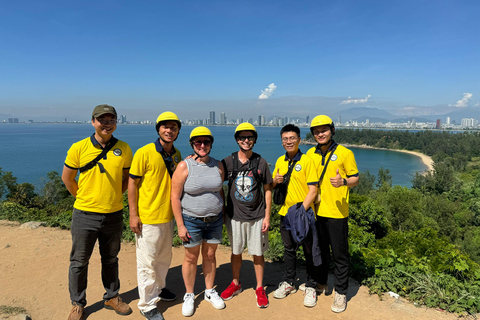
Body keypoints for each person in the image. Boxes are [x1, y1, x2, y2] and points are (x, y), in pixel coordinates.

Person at [62, 104, 133, 320]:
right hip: (84, 214)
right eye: (102, 120)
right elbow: (68, 178)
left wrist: (114, 196)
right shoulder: (79, 147)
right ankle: (77, 303)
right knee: (79, 261)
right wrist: (83, 198)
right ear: (93, 122)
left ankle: (112, 296)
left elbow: (127, 178)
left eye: (111, 119)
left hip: (113, 214)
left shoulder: (124, 148)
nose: (107, 123)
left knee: (111, 258)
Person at [128, 111, 182, 320]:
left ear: (178, 131)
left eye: (173, 127)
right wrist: (134, 215)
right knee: (147, 262)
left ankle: (159, 289)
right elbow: (132, 184)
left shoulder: (175, 154)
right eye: (165, 127)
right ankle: (147, 304)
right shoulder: (144, 152)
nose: (169, 130)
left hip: (167, 216)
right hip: (148, 217)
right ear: (158, 129)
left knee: (163, 258)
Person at [171, 126, 226, 317]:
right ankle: (189, 294)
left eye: (206, 142)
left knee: (210, 256)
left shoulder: (218, 165)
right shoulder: (184, 166)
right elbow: (175, 197)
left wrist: (223, 212)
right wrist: (180, 225)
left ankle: (210, 291)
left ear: (211, 144)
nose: (202, 145)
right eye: (198, 142)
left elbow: (219, 190)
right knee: (191, 258)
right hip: (191, 220)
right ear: (192, 144)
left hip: (215, 219)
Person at [307, 115, 359, 313]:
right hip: (316, 212)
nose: (320, 133)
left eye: (324, 130)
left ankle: (341, 292)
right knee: (320, 252)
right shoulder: (310, 154)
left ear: (332, 130)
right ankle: (321, 283)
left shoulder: (345, 153)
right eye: (316, 131)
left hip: (337, 212)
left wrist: (343, 182)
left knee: (340, 253)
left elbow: (355, 178)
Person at [220, 123, 272, 308]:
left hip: (257, 216)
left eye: (249, 137)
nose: (246, 140)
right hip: (234, 216)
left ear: (254, 139)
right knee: (236, 252)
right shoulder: (228, 162)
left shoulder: (261, 162)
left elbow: (267, 190)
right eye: (242, 137)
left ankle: (259, 287)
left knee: (258, 254)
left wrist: (267, 216)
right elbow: (214, 178)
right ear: (237, 140)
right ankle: (236, 283)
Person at [271, 124, 320, 308]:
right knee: (289, 250)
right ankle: (289, 282)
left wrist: (301, 212)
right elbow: (274, 187)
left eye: (292, 138)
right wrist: (275, 182)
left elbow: (313, 190)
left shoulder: (307, 161)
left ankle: (311, 285)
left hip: (303, 214)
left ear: (299, 140)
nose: (288, 141)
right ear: (282, 141)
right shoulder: (279, 161)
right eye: (285, 139)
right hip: (285, 213)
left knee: (309, 251)